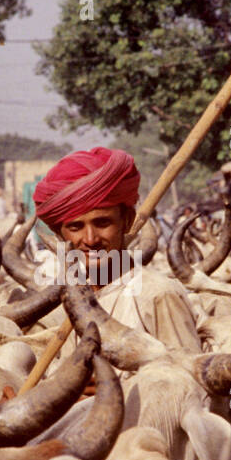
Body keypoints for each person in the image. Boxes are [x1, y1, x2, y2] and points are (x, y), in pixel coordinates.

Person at [33, 146, 202, 355]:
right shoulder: (70, 300)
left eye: (102, 223)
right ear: (60, 234)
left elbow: (188, 382)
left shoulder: (158, 295)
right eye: (76, 227)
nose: (90, 239)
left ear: (127, 220)